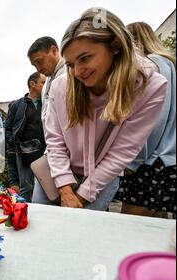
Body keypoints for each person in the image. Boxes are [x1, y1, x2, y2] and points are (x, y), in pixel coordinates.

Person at [32, 8, 168, 211]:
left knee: (85, 237)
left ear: (115, 46)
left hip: (101, 179)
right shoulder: (62, 85)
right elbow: (55, 140)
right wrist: (65, 188)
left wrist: (83, 194)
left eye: (85, 58)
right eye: (70, 64)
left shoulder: (149, 87)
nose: (77, 72)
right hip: (55, 172)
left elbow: (122, 152)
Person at [114, 21, 176, 218]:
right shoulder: (170, 66)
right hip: (167, 160)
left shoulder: (152, 66)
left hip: (149, 163)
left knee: (130, 229)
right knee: (157, 229)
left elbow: (151, 121)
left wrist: (132, 161)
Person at [5, 72, 46, 201]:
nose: (46, 86)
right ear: (32, 84)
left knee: (45, 187)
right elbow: (8, 128)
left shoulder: (47, 103)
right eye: (43, 82)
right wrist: (14, 145)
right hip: (24, 153)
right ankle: (24, 215)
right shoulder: (17, 105)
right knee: (26, 188)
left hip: (44, 152)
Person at [28, 36, 66, 129]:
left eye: (39, 61)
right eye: (35, 65)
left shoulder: (71, 73)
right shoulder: (47, 82)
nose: (38, 69)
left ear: (53, 50)